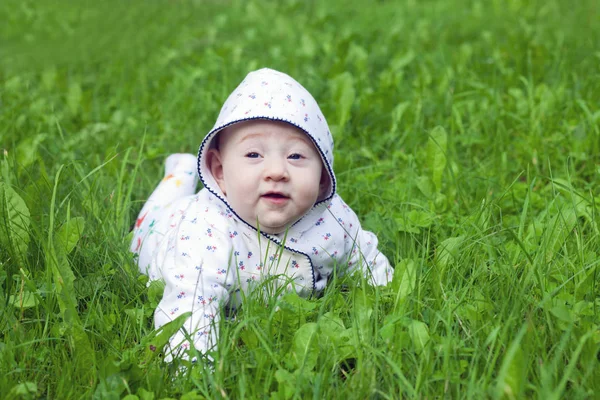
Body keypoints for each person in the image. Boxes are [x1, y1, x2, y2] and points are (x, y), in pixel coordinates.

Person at [131, 68, 393, 361]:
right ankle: (182, 169)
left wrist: (391, 300)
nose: (276, 172)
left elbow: (366, 259)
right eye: (254, 155)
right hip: (162, 231)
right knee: (155, 213)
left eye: (295, 156)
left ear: (322, 176)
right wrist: (192, 373)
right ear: (219, 171)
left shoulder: (332, 218)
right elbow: (189, 307)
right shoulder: (205, 231)